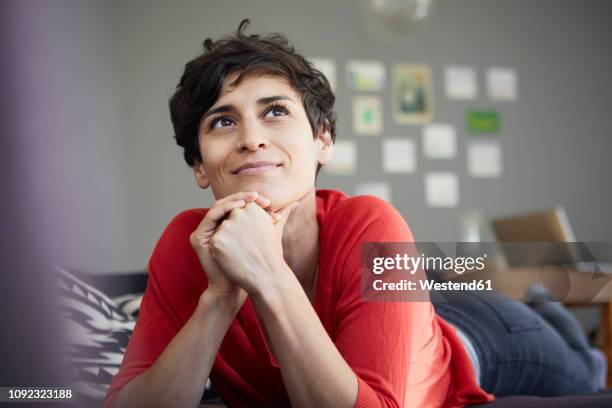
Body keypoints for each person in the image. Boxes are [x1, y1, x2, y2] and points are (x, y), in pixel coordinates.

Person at [104, 20, 604, 408]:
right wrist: (219, 296)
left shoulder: (369, 223)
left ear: (322, 141)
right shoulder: (184, 243)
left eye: (276, 111)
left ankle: (546, 308)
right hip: (392, 303)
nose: (252, 138)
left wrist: (266, 271)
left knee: (585, 366)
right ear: (199, 165)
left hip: (484, 339)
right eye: (223, 121)